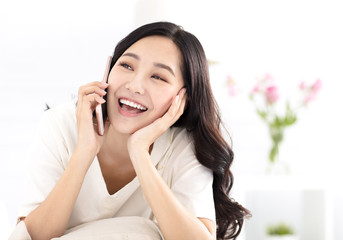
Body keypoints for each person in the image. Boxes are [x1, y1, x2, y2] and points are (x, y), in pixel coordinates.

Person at [10, 21, 250, 240]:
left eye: (158, 77)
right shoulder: (60, 125)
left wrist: (139, 152)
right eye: (126, 65)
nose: (134, 86)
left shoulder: (184, 145)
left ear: (183, 98)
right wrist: (84, 152)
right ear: (108, 69)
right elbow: (34, 237)